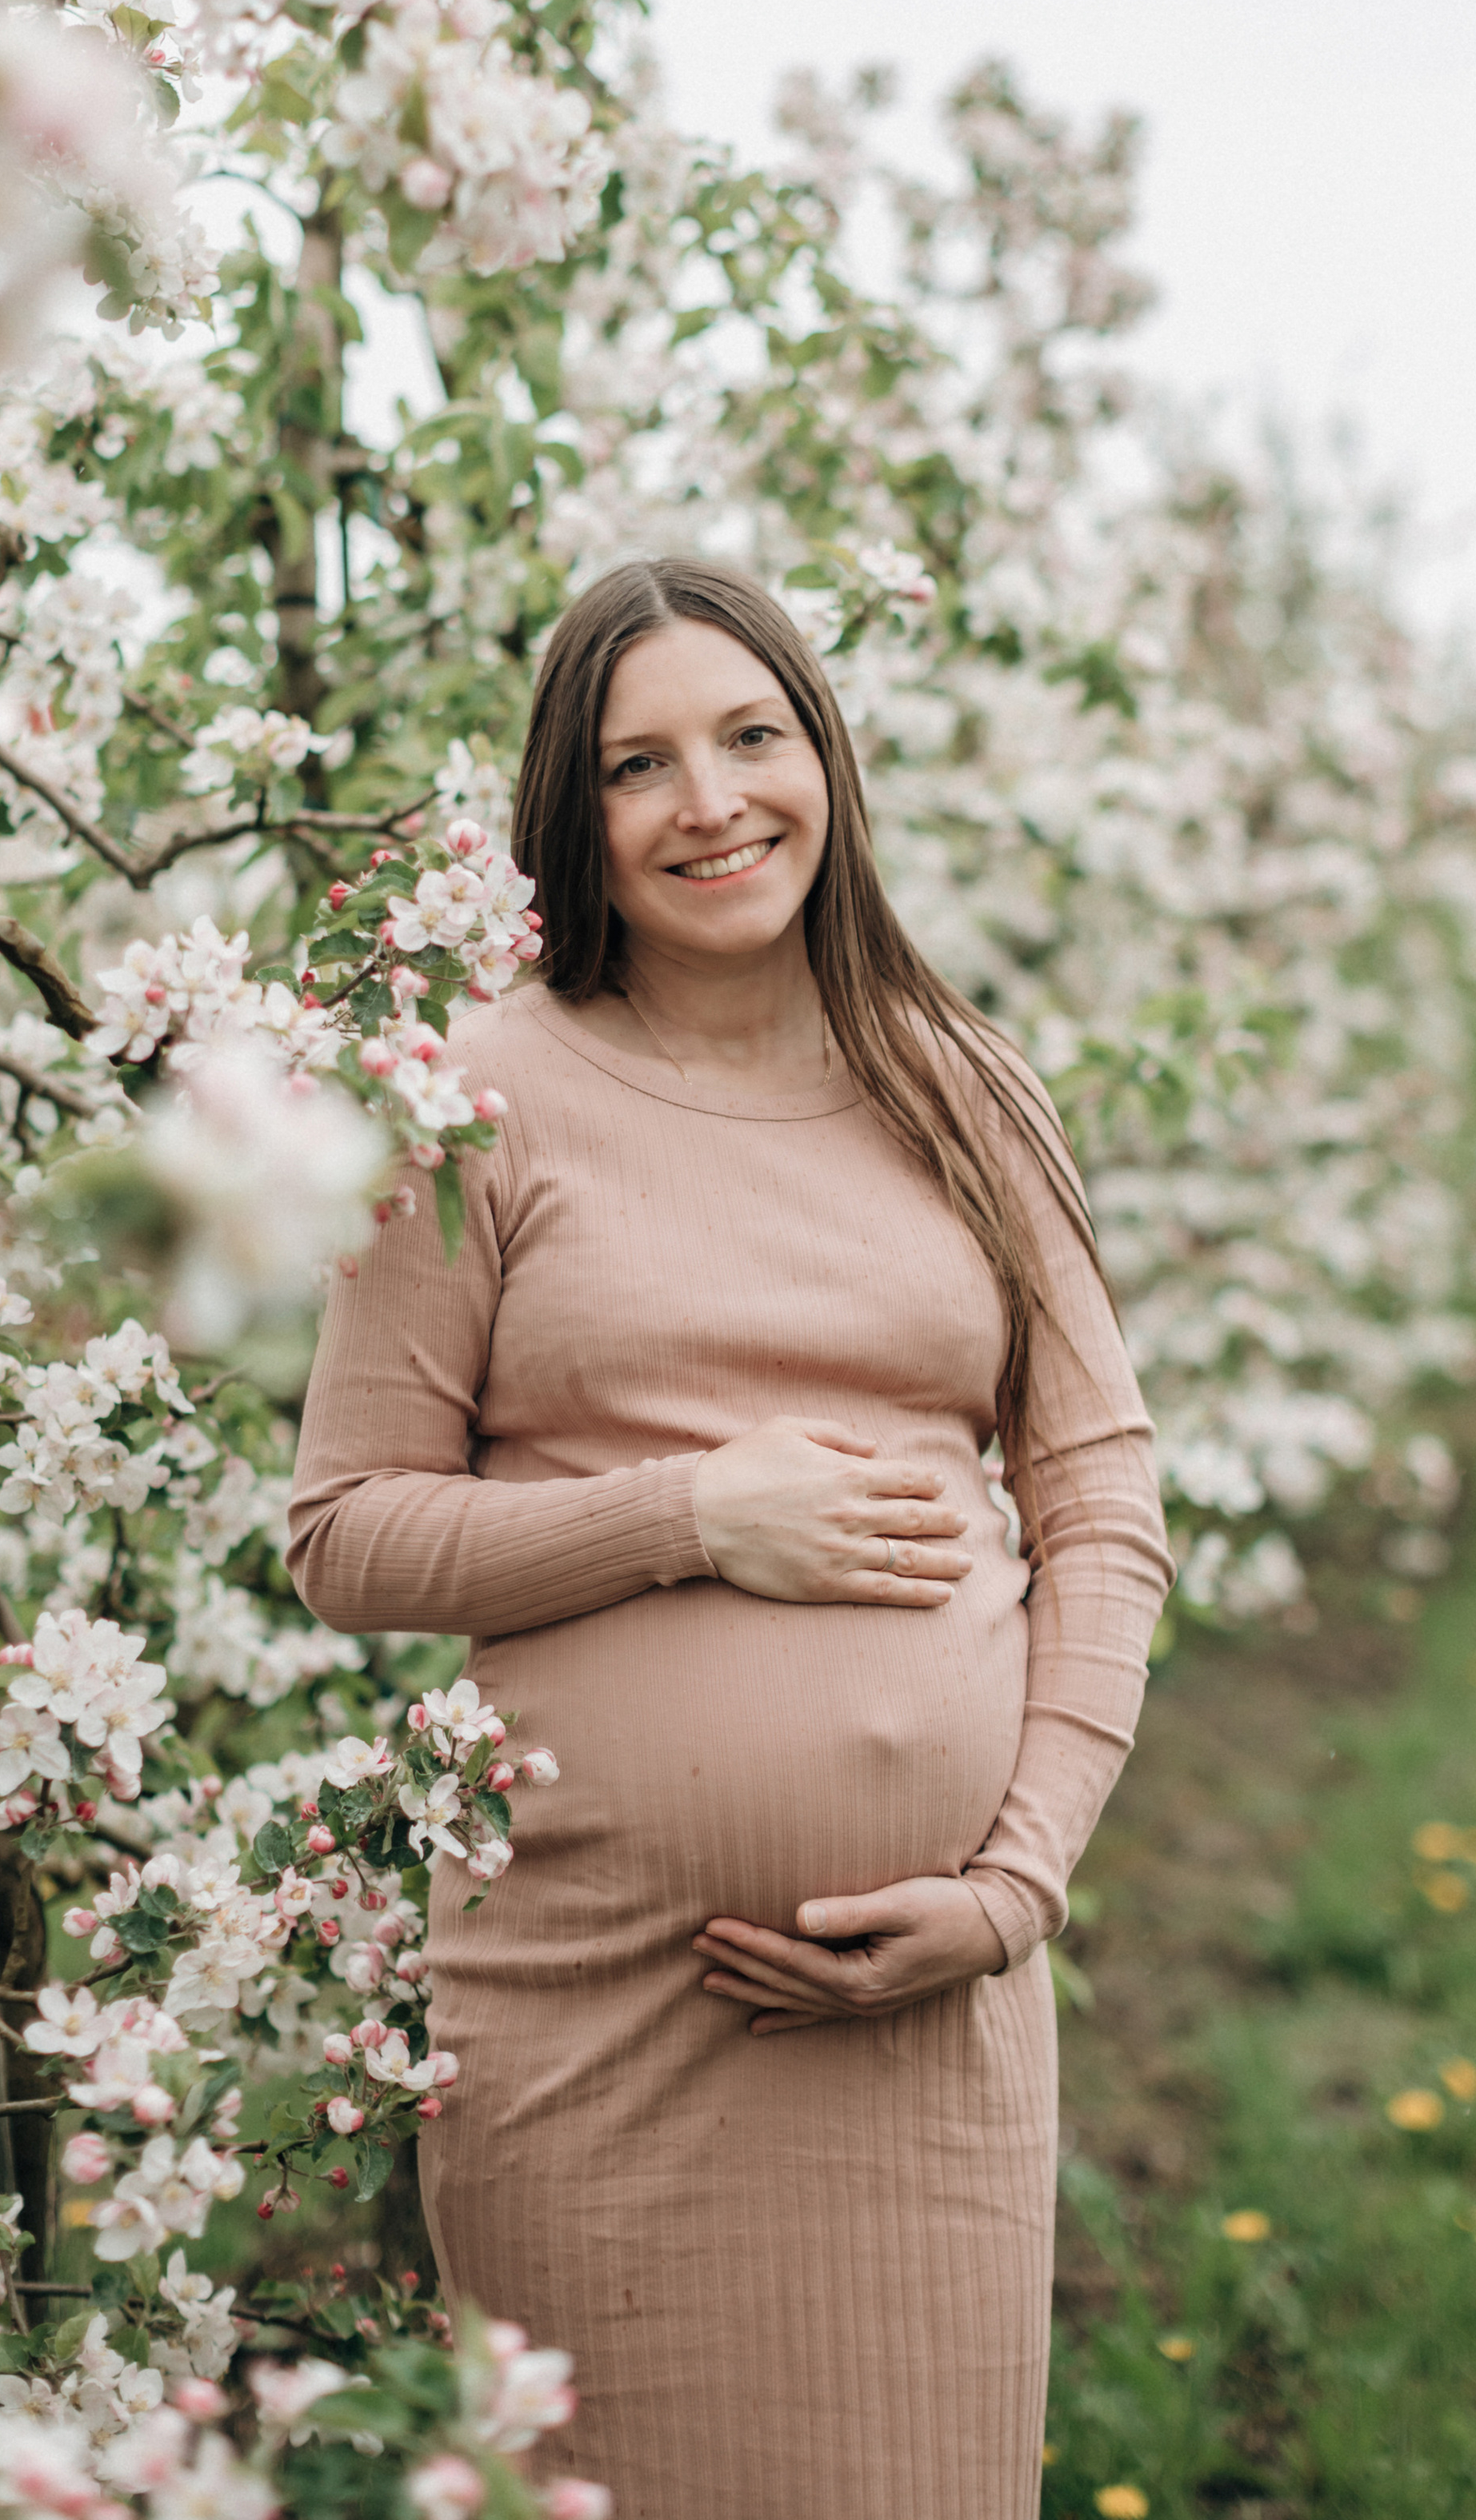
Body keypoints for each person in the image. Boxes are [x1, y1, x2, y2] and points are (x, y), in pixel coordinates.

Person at [287, 556, 1172, 2520]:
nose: (711, 803)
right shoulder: (474, 1099)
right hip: (595, 2029)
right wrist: (689, 1516)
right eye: (639, 764)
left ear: (823, 759)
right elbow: (345, 1535)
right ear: (572, 818)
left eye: (751, 736)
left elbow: (1099, 1499)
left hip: (927, 2034)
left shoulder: (962, 1090)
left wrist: (1015, 1885)